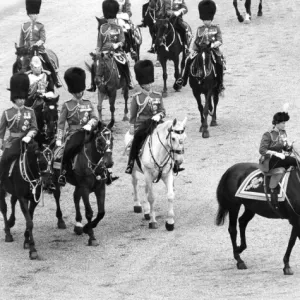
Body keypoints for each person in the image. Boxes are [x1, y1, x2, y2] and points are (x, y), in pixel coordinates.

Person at [55, 67, 98, 186]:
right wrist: (59, 138)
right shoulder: (67, 105)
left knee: (102, 146)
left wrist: (90, 124)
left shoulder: (88, 103)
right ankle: (63, 173)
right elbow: (61, 123)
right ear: (72, 92)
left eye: (80, 91)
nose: (79, 94)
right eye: (76, 92)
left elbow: (95, 118)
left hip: (88, 132)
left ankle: (105, 172)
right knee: (67, 151)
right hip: (74, 134)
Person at [125, 60, 165, 174]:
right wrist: (132, 126)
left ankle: (173, 163)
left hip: (157, 123)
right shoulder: (136, 97)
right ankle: (131, 162)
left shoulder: (157, 95)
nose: (149, 85)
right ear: (142, 84)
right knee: (137, 140)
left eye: (150, 83)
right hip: (143, 125)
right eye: (147, 83)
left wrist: (159, 115)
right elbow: (132, 115)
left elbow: (163, 111)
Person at [176, 0, 225, 94]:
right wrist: (193, 50)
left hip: (212, 50)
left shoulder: (216, 28)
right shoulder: (200, 29)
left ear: (211, 19)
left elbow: (220, 40)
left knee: (219, 63)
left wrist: (213, 45)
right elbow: (197, 41)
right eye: (205, 20)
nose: (206, 22)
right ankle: (183, 79)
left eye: (208, 20)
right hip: (200, 49)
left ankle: (220, 83)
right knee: (189, 61)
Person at [87, 0, 134, 93]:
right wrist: (97, 51)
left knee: (124, 62)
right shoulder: (102, 28)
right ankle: (93, 84)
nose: (110, 20)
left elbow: (122, 40)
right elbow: (99, 41)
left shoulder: (119, 28)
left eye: (111, 18)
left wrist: (117, 45)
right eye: (109, 18)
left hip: (116, 52)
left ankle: (129, 81)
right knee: (94, 64)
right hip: (104, 52)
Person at [0, 73, 38, 184]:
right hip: (11, 142)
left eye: (23, 98)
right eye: (19, 98)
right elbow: (1, 132)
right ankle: (2, 181)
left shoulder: (30, 112)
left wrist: (29, 135)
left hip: (28, 141)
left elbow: (34, 128)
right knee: (4, 160)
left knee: (40, 158)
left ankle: (41, 181)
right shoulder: (7, 113)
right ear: (14, 98)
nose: (22, 100)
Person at [259, 104, 297, 209]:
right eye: (283, 123)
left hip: (279, 158)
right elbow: (262, 150)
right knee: (293, 161)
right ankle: (273, 191)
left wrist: (289, 146)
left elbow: (285, 148)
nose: (285, 125)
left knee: (295, 161)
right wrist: (276, 153)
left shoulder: (283, 132)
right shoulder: (268, 134)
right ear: (277, 123)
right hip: (269, 161)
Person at [19, 0, 62, 88]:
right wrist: (21, 50)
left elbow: (43, 39)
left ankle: (55, 80)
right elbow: (21, 40)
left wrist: (37, 44)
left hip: (39, 50)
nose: (35, 16)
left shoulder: (40, 26)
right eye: (33, 14)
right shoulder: (24, 26)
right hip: (28, 51)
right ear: (29, 15)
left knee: (49, 63)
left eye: (36, 14)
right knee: (20, 67)